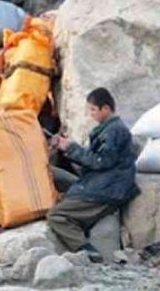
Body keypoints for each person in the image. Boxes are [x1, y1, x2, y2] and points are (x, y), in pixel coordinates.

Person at [47, 88, 140, 262]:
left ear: (106, 108)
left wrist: (71, 148)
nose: (91, 114)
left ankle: (87, 250)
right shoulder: (108, 129)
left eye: (93, 110)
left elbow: (100, 162)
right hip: (102, 184)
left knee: (56, 215)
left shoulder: (115, 131)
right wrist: (67, 148)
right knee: (55, 176)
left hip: (108, 190)